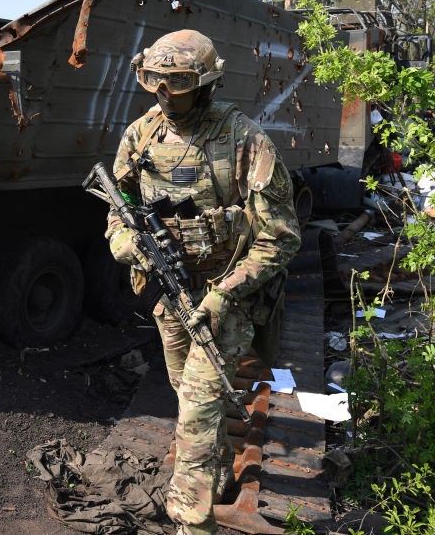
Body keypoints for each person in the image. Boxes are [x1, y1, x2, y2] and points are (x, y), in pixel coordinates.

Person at [104, 29, 301, 535]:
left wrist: (223, 293)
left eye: (177, 83)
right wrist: (125, 244)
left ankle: (191, 521)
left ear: (204, 83)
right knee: (187, 395)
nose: (165, 94)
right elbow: (118, 208)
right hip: (172, 296)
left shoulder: (243, 139)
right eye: (155, 82)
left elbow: (280, 238)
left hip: (225, 299)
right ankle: (216, 480)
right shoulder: (140, 136)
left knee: (194, 414)